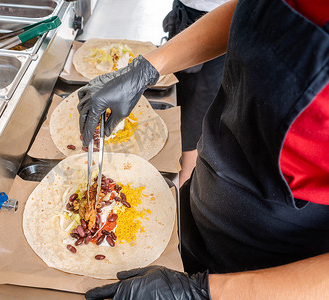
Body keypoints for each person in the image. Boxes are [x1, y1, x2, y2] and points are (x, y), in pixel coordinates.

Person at [77, 0, 329, 298]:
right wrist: (148, 67)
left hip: (272, 273)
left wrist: (205, 292)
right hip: (200, 207)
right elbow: (257, 12)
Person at [163, 0, 229, 186]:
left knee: (198, 104)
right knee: (179, 93)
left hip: (219, 15)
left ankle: (186, 178)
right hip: (187, 10)